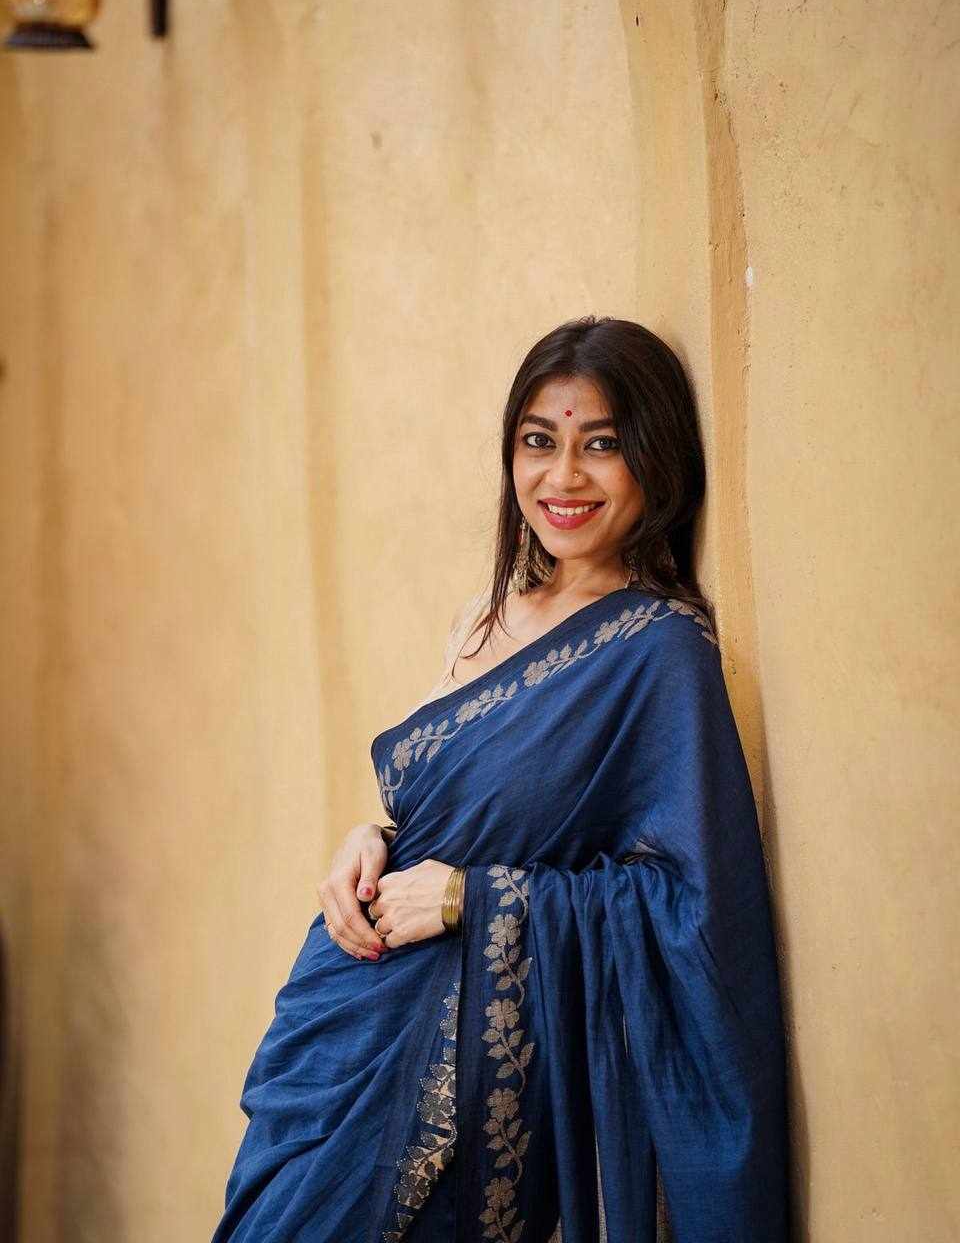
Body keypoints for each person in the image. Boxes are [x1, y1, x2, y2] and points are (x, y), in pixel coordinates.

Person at [212, 316, 791, 1242]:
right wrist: (371, 837)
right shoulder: (483, 619)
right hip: (342, 1026)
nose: (563, 478)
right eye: (538, 442)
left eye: (601, 445)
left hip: (459, 1059)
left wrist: (471, 900)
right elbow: (452, 805)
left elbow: (692, 910)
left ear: (659, 459)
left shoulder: (658, 653)